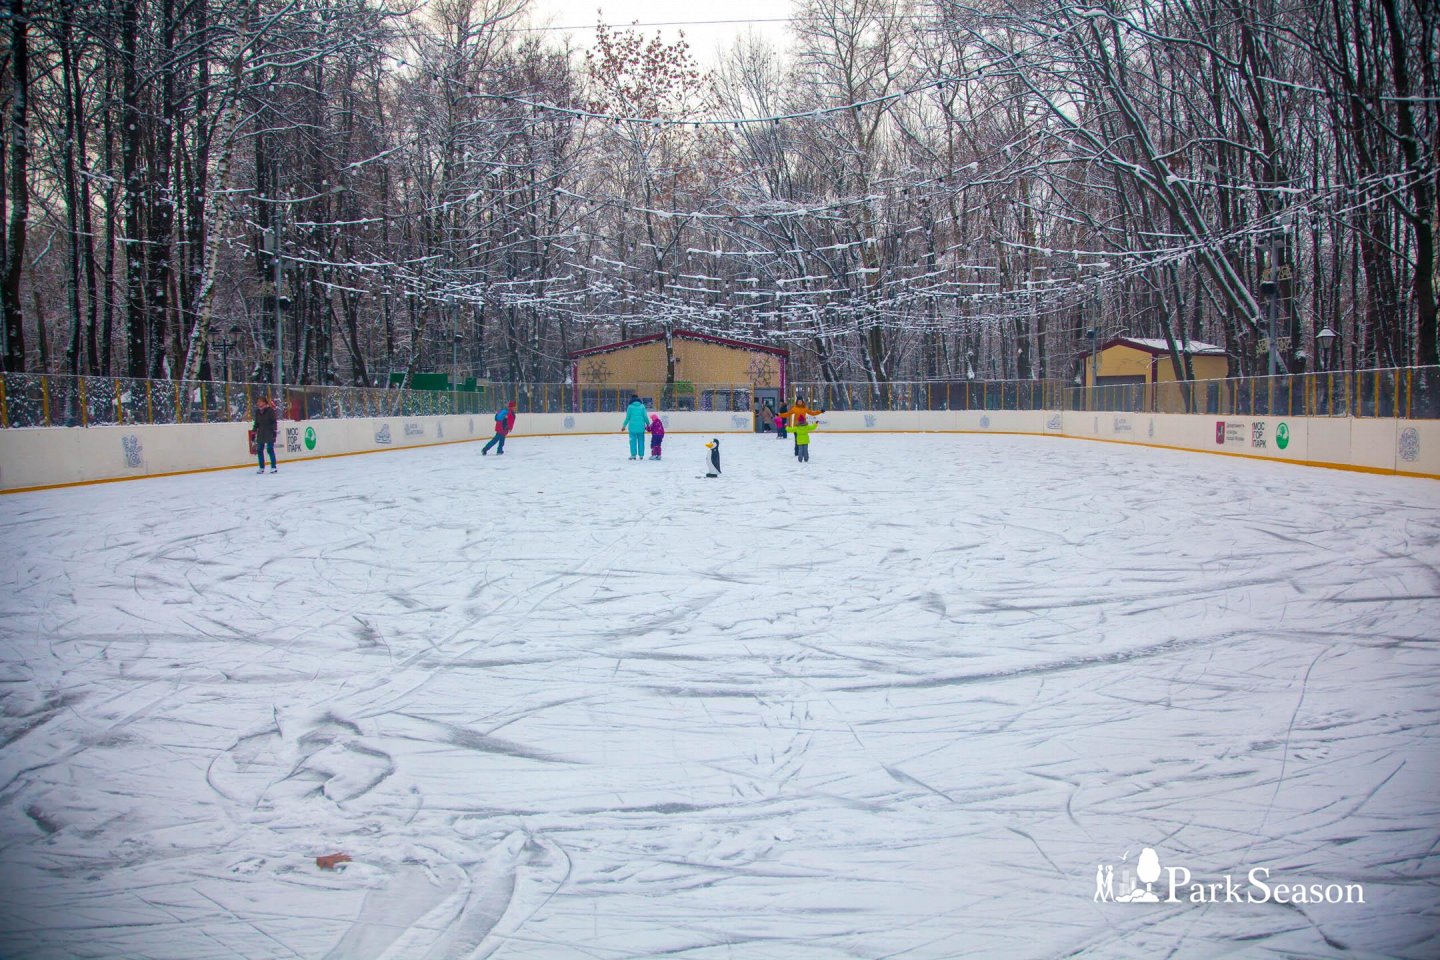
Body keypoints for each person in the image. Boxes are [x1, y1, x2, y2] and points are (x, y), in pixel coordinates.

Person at [253, 396, 278, 474]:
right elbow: (256, 423)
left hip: (269, 431)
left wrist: (274, 431)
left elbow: (274, 421)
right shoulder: (257, 412)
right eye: (258, 402)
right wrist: (254, 431)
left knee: (270, 449)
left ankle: (273, 467)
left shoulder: (270, 411)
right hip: (261, 432)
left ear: (264, 402)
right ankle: (261, 467)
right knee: (259, 449)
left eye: (260, 401)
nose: (258, 403)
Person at [622, 395, 650, 460]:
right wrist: (648, 424)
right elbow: (645, 416)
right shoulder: (642, 406)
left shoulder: (630, 407)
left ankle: (633, 455)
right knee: (641, 441)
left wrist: (624, 426)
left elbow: (627, 418)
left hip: (632, 428)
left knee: (632, 442)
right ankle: (641, 455)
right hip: (641, 427)